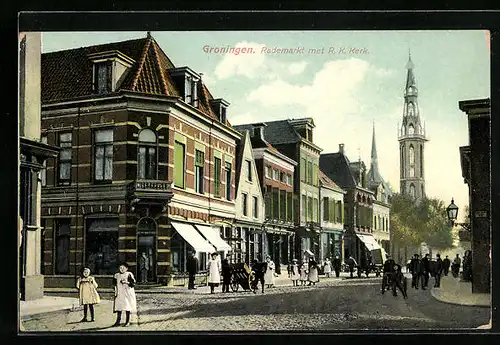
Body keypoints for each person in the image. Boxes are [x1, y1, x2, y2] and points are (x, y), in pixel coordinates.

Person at [113, 263, 137, 327]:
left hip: (127, 293)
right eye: (120, 268)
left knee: (127, 306)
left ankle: (127, 321)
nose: (122, 269)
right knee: (119, 307)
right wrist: (115, 291)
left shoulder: (129, 274)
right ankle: (118, 321)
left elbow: (133, 284)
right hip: (119, 293)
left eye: (123, 268)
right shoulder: (116, 275)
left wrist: (126, 282)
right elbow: (114, 284)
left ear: (126, 268)